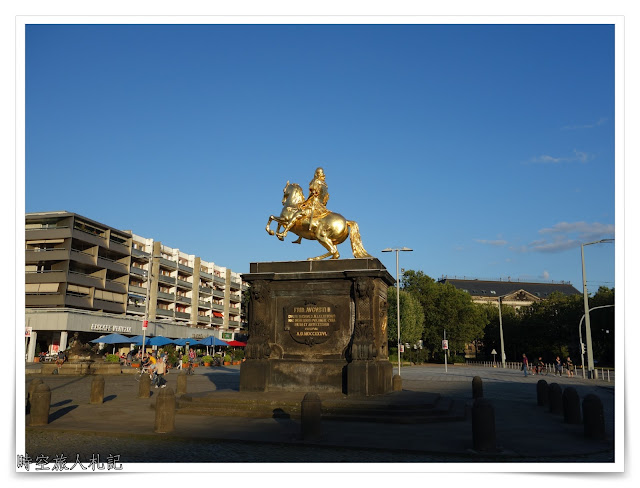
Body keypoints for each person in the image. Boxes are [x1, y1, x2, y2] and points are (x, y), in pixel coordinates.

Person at [277, 167, 330, 239]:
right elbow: (326, 198)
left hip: (314, 205)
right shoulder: (325, 185)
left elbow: (313, 194)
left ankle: (285, 232)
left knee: (297, 215)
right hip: (322, 207)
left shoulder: (316, 181)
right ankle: (299, 238)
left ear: (317, 174)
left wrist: (305, 202)